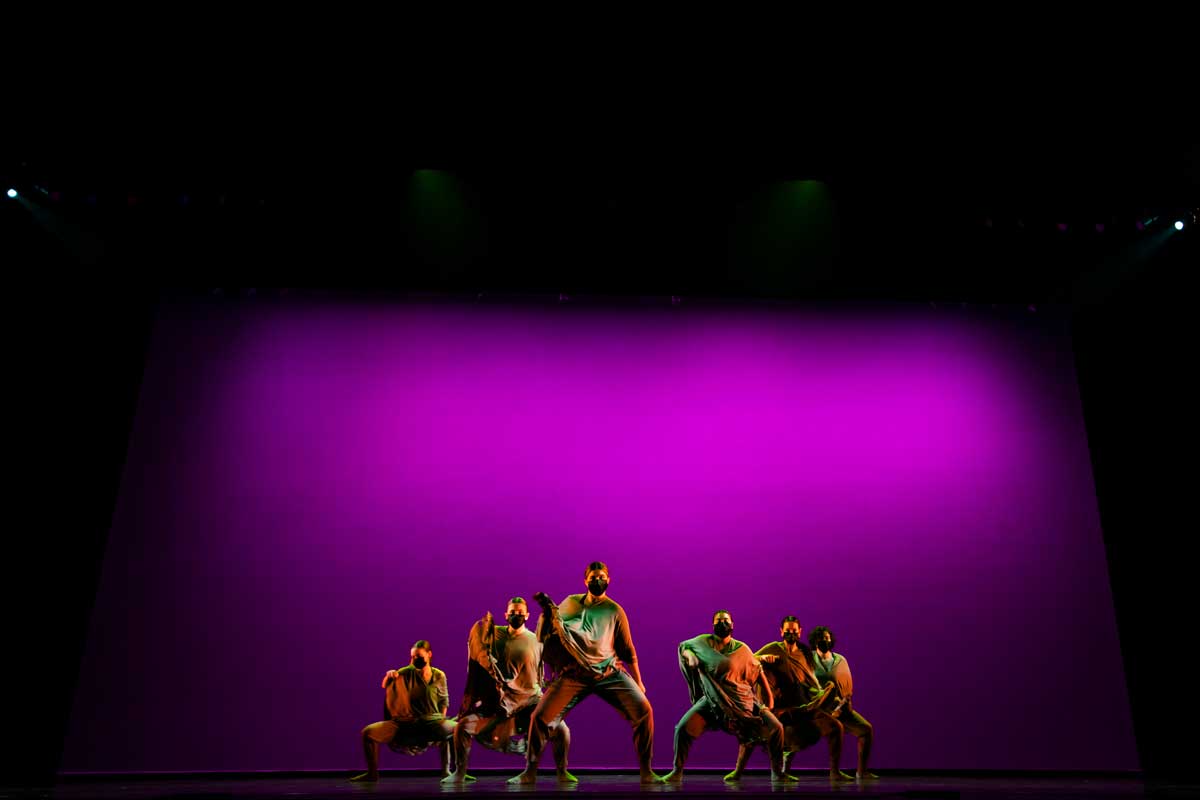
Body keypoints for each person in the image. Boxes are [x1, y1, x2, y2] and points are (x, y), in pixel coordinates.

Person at [509, 561, 662, 784]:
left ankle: (647, 771)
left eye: (601, 577)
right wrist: (552, 663)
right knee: (540, 718)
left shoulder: (615, 611)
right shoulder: (571, 602)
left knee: (644, 711)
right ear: (585, 580)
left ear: (608, 580)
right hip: (574, 674)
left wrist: (639, 681)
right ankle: (529, 772)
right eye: (593, 577)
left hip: (608, 673)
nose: (597, 580)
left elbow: (628, 651)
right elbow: (556, 634)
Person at [440, 597, 573, 783]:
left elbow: (551, 664)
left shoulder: (537, 640)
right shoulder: (495, 635)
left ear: (527, 615)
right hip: (499, 702)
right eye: (512, 612)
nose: (516, 615)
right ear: (505, 615)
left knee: (561, 730)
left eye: (520, 613)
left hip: (529, 700)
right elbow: (478, 645)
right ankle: (459, 773)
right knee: (462, 727)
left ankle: (559, 772)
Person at [663, 610, 793, 784]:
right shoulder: (703, 642)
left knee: (776, 728)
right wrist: (691, 656)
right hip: (712, 700)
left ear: (732, 625)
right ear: (713, 625)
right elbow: (684, 647)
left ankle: (777, 773)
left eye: (725, 620)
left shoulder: (742, 648)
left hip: (743, 701)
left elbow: (757, 669)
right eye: (718, 621)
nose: (722, 623)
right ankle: (677, 772)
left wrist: (769, 698)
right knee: (682, 729)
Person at [737, 616, 853, 782]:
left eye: (794, 631)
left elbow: (810, 679)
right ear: (781, 631)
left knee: (835, 727)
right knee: (756, 733)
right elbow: (748, 661)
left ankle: (834, 772)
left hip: (801, 704)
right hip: (778, 707)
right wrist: (763, 658)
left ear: (800, 632)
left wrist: (822, 693)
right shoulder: (773, 648)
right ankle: (741, 772)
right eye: (787, 631)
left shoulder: (804, 654)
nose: (790, 634)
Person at [351, 640, 455, 782]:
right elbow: (385, 684)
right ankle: (372, 773)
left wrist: (440, 725)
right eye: (412, 657)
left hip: (431, 721)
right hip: (404, 722)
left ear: (429, 655)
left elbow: (444, 701)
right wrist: (389, 675)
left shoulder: (439, 675)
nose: (414, 660)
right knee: (368, 733)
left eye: (418, 656)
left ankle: (450, 772)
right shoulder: (405, 673)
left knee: (459, 728)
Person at [810, 626, 877, 780]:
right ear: (814, 641)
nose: (824, 641)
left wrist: (842, 706)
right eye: (820, 638)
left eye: (826, 638)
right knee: (834, 730)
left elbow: (847, 688)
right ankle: (834, 772)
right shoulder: (809, 659)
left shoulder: (840, 660)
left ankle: (862, 772)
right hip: (818, 709)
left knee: (865, 729)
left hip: (839, 707)